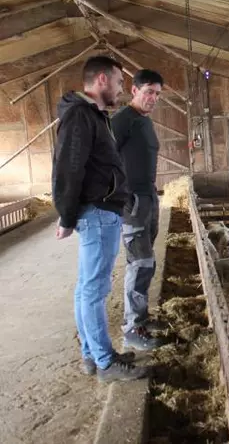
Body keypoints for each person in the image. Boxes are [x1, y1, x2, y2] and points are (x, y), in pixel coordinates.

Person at [52, 55, 147, 382]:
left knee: (86, 288)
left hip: (100, 209)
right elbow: (68, 166)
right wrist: (65, 214)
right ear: (102, 80)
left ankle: (92, 355)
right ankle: (106, 363)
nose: (122, 89)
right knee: (94, 290)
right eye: (120, 82)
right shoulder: (81, 116)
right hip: (97, 211)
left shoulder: (92, 115)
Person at [111, 69, 164, 351]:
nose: (153, 98)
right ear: (134, 91)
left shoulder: (144, 122)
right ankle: (132, 327)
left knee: (148, 261)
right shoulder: (121, 121)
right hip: (132, 201)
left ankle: (141, 318)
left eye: (157, 94)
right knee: (139, 261)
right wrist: (119, 195)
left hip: (148, 197)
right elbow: (103, 158)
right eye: (148, 92)